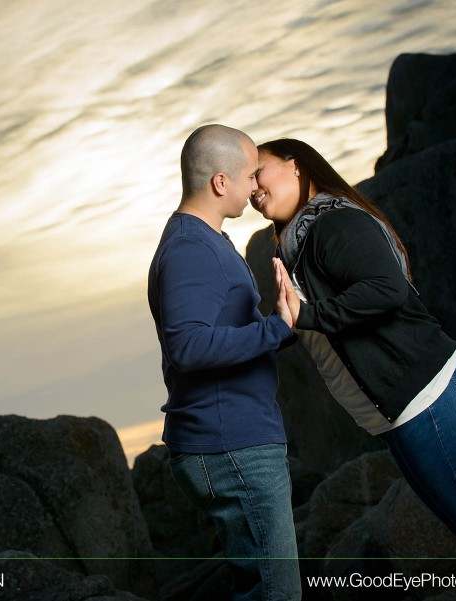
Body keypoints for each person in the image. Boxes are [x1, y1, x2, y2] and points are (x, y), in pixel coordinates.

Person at [252, 137, 456, 600]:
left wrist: (308, 315)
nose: (252, 187)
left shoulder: (333, 223)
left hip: (430, 398)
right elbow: (316, 325)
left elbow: (385, 290)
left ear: (295, 166)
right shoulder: (301, 244)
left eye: (259, 171)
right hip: (406, 413)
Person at [148, 124, 302, 601]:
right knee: (277, 595)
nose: (256, 186)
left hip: (236, 440)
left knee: (264, 590)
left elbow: (228, 333)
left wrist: (290, 322)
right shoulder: (190, 248)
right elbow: (189, 348)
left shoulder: (205, 241)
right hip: (232, 445)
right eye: (250, 175)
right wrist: (276, 327)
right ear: (220, 182)